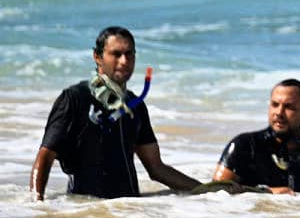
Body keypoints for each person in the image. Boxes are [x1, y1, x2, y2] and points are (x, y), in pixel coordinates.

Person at [30, 26, 201, 200]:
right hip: (85, 213)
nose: (124, 61)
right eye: (116, 54)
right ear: (97, 57)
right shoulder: (74, 99)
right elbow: (45, 157)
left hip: (127, 213)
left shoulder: (135, 106)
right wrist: (37, 205)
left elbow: (156, 168)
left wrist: (207, 191)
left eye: (129, 54)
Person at [212, 79, 300, 193]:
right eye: (275, 104)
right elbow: (215, 191)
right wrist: (265, 192)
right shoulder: (244, 145)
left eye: (289, 107)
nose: (279, 112)